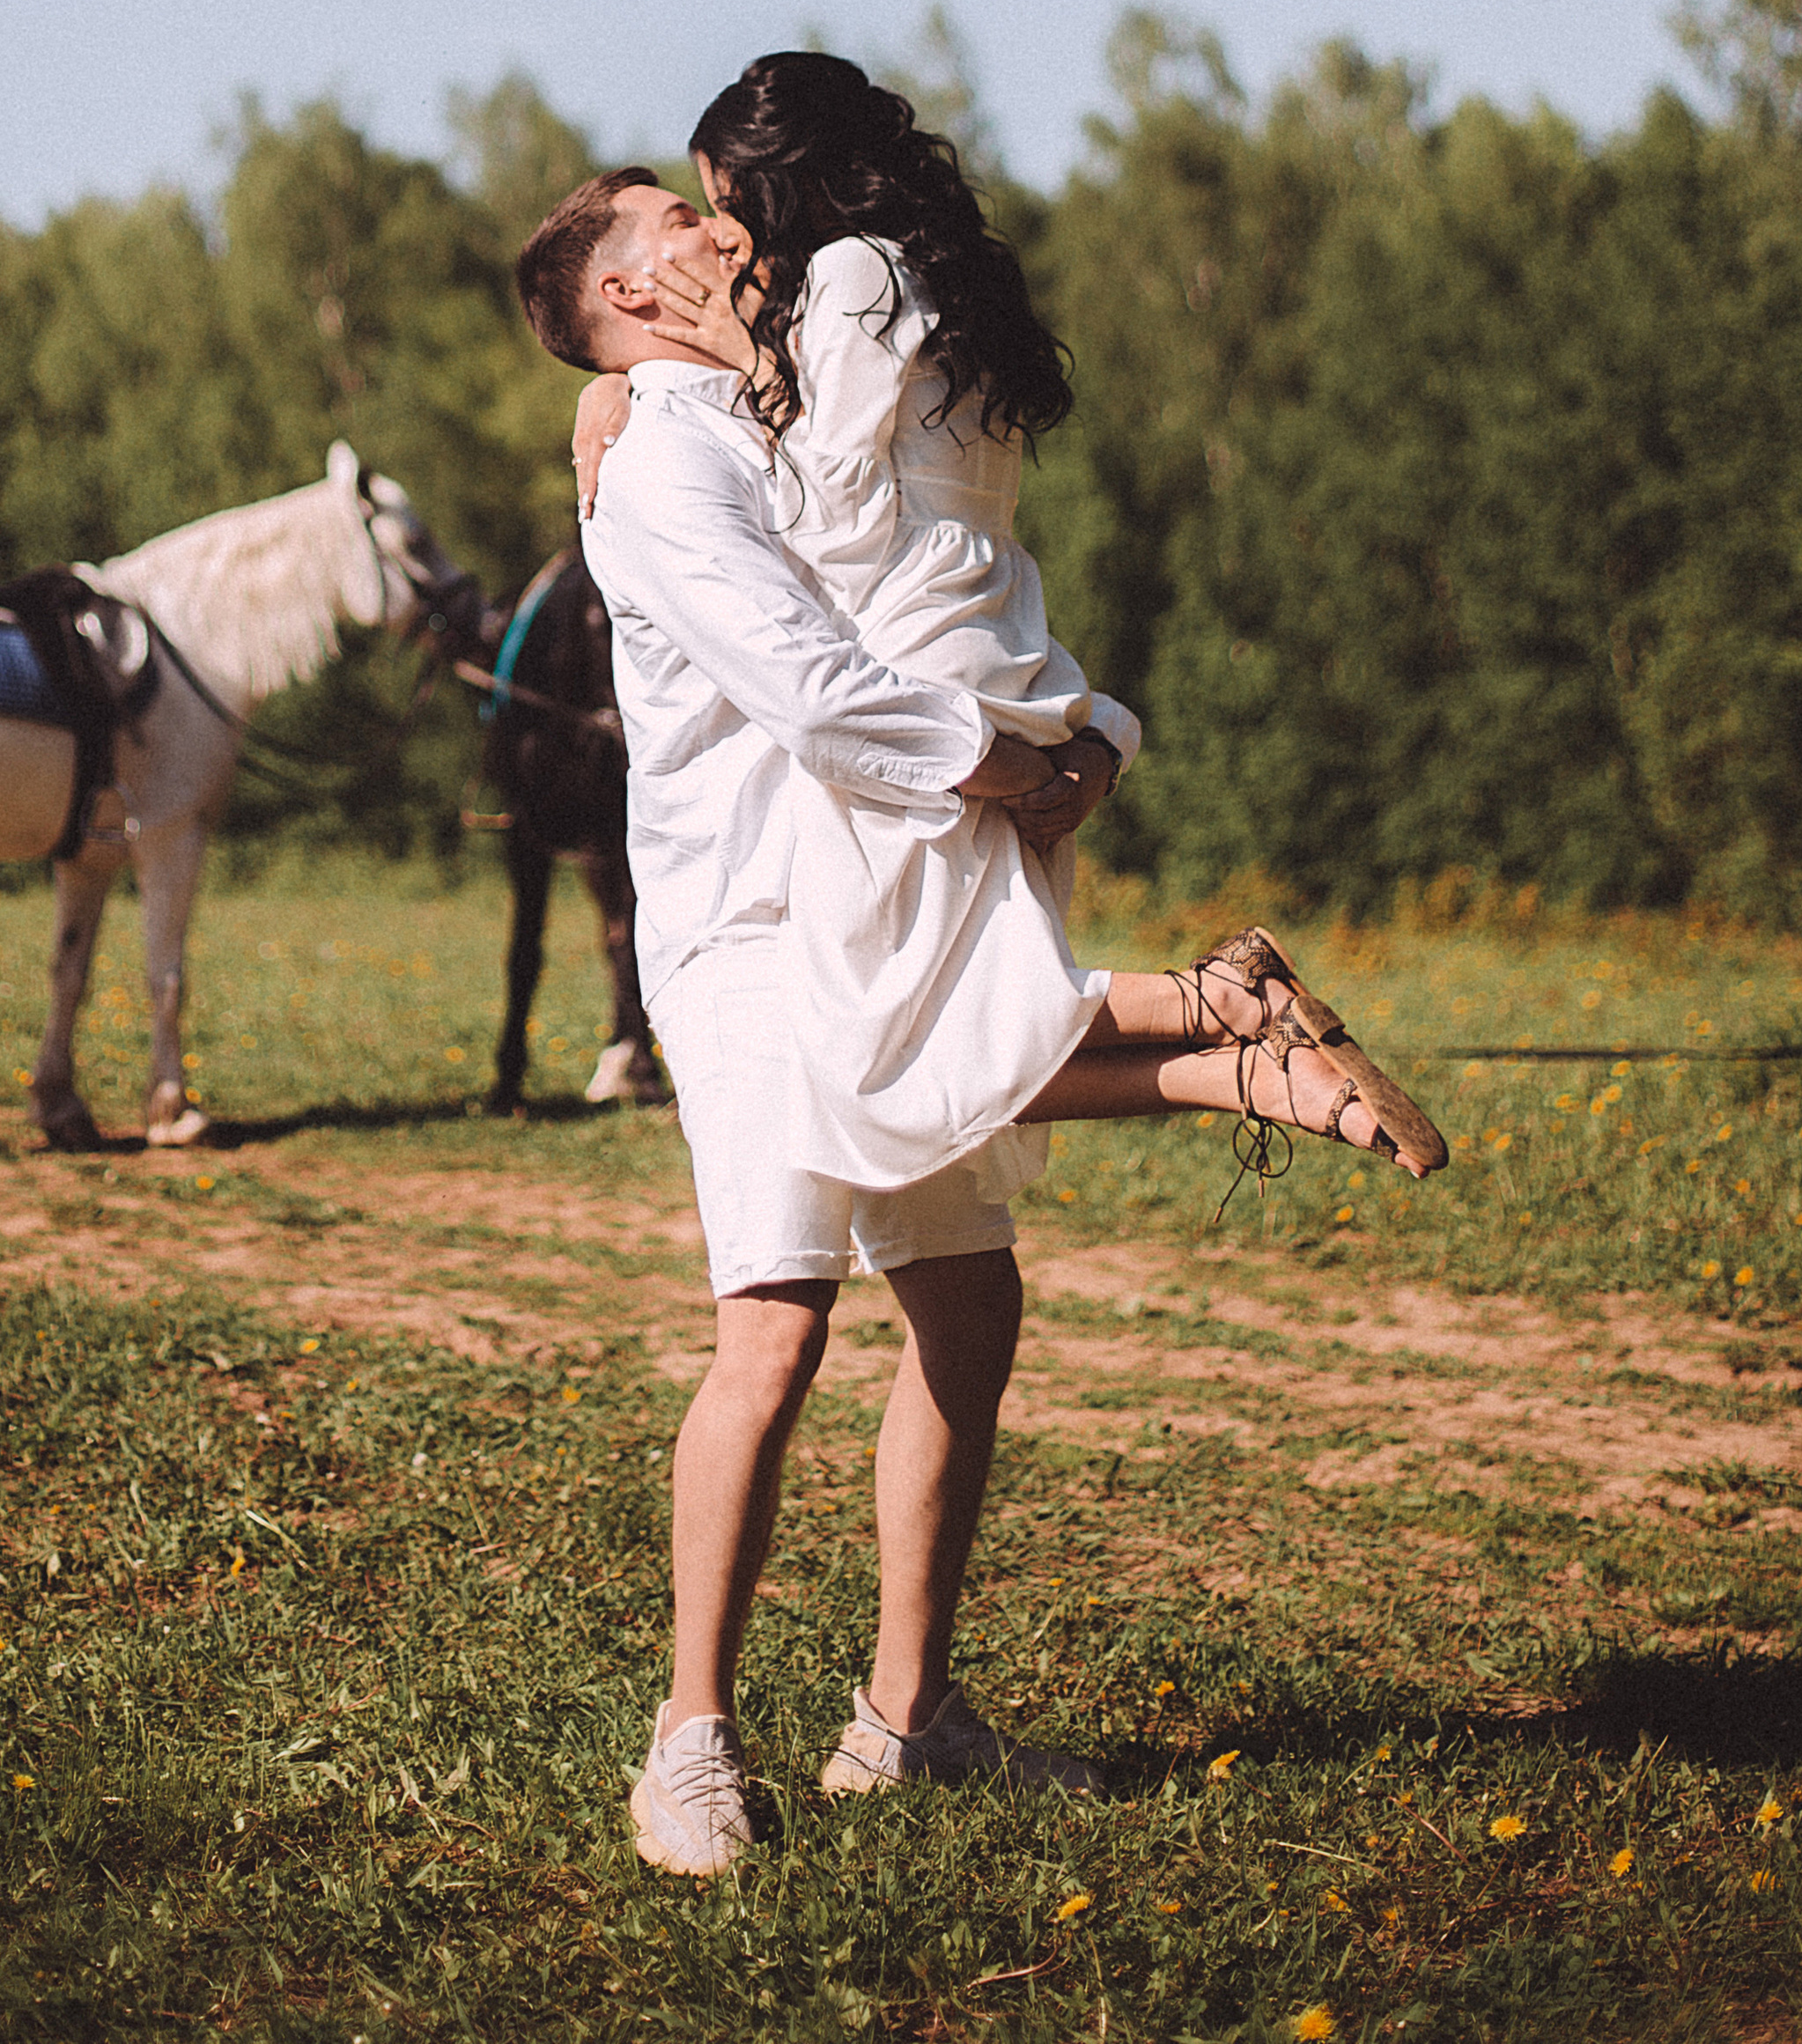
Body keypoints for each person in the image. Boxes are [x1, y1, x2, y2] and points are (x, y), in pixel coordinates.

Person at [517, 162, 1440, 1880]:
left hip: (881, 893)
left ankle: (907, 1720)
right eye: (673, 228)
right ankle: (687, 1746)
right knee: (773, 1333)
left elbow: (942, 578)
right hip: (744, 931)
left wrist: (1078, 725)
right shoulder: (659, 457)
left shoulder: (793, 410)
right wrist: (1010, 767)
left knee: (963, 1303)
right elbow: (810, 678)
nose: (717, 234)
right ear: (626, 302)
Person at [571, 53, 1439, 1194]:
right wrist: (623, 380)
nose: (726, 240)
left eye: (725, 205)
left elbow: (835, 522)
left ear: (783, 183)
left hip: (915, 668)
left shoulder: (847, 280)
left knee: (875, 1052)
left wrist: (731, 360)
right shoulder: (931, 277)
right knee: (945, 1034)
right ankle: (1245, 1065)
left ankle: (1224, 1002)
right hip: (994, 642)